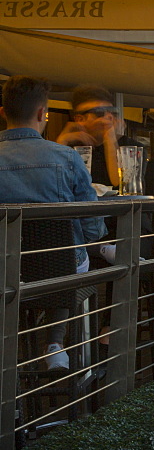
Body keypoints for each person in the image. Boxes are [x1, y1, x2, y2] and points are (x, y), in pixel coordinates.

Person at [0, 76, 106, 370]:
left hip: (5, 273)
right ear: (41, 113)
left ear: (2, 113)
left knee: (55, 260)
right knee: (71, 257)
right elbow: (92, 227)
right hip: (58, 271)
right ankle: (55, 343)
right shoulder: (67, 158)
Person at [56, 84, 141, 188]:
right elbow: (53, 185)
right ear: (80, 119)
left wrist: (110, 140)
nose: (109, 116)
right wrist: (62, 141)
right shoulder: (70, 149)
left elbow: (123, 186)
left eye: (112, 112)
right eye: (99, 113)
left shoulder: (131, 148)